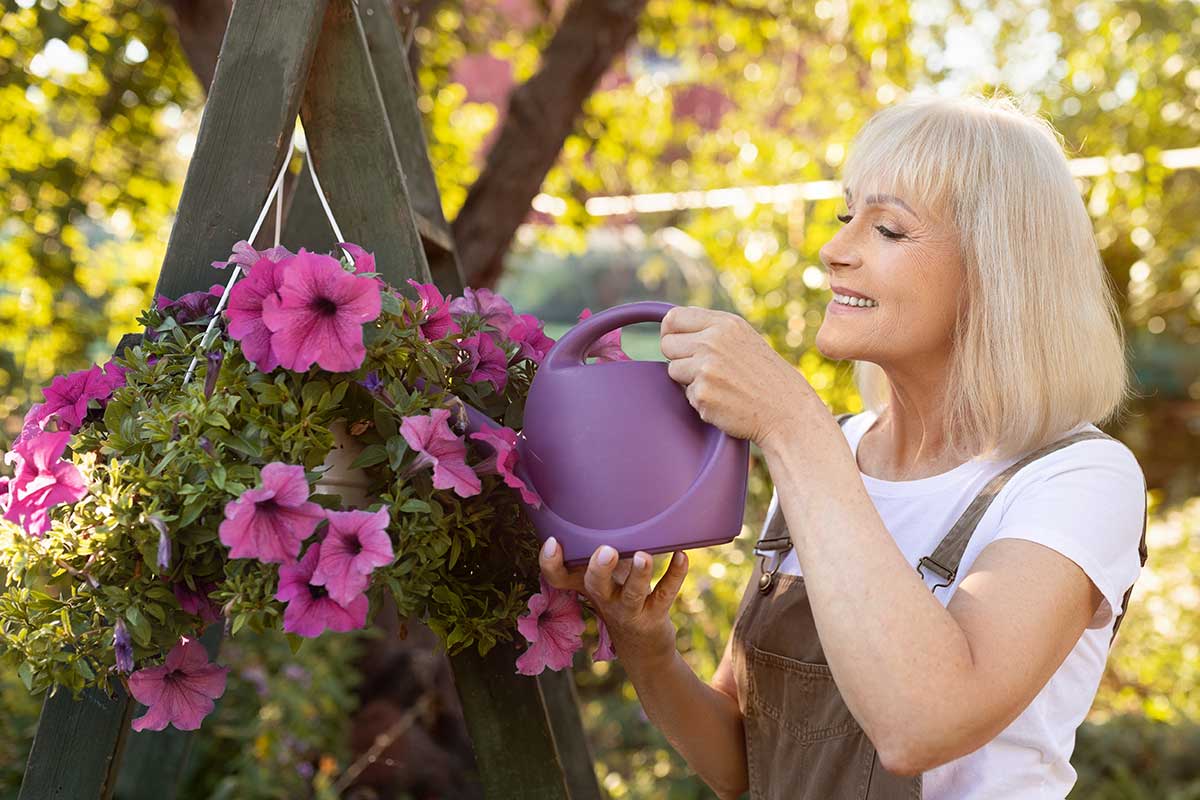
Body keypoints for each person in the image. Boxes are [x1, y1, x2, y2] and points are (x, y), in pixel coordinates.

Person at [536, 92, 1148, 799]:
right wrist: (645, 644)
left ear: (995, 271)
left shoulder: (1076, 480)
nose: (834, 250)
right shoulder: (837, 449)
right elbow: (745, 762)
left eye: (887, 229)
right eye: (844, 216)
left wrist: (792, 422)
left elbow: (921, 725)